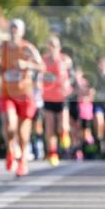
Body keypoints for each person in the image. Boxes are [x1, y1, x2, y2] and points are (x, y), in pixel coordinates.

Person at [0, 18, 44, 177]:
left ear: (22, 32)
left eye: (16, 29)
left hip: (25, 94)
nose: (13, 31)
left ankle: (23, 161)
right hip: (7, 93)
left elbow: (42, 66)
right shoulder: (2, 48)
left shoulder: (27, 48)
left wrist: (27, 65)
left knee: (24, 134)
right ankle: (10, 149)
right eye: (11, 28)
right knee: (10, 125)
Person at [41, 34, 72, 166]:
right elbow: (40, 71)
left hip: (61, 97)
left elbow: (69, 65)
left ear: (59, 47)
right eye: (50, 45)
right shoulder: (44, 60)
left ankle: (64, 135)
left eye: (55, 45)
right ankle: (52, 153)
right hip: (48, 97)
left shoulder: (64, 59)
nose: (52, 48)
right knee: (50, 128)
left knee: (62, 126)